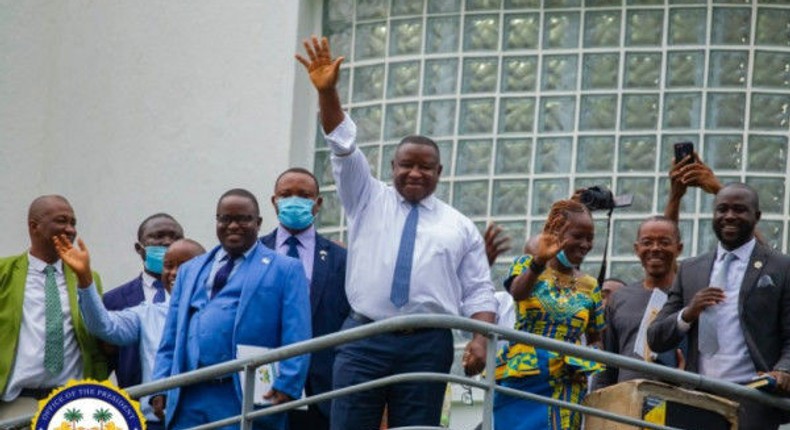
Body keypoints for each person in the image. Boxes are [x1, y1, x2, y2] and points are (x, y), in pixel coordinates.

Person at [297, 36, 497, 429]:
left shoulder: (459, 226)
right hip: (364, 337)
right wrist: (328, 92)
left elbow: (478, 289)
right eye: (407, 165)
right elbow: (342, 145)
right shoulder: (366, 197)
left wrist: (480, 339)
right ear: (393, 165)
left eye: (426, 167)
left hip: (427, 344)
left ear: (440, 173)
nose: (415, 173)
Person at [152, 189, 311, 430]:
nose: (233, 226)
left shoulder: (285, 269)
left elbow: (297, 332)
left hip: (241, 392)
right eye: (225, 219)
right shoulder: (191, 269)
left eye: (243, 219)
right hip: (189, 393)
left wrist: (289, 384)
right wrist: (160, 385)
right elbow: (171, 335)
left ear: (258, 223)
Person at [647, 183, 790, 430]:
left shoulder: (780, 267)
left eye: (739, 210)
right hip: (699, 398)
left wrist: (783, 370)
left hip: (753, 399)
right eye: (722, 209)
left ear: (756, 217)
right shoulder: (691, 269)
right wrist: (687, 314)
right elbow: (656, 338)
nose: (730, 216)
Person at [67, 238, 204, 430]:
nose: (173, 273)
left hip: (205, 419)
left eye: (183, 266)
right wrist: (85, 280)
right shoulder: (148, 313)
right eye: (168, 266)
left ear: (204, 270)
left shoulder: (219, 312)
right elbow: (104, 326)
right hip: (155, 421)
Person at [494, 199, 604, 430]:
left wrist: (592, 359)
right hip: (524, 375)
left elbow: (595, 337)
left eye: (590, 238)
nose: (585, 244)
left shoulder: (591, 285)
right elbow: (518, 293)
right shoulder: (527, 264)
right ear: (556, 231)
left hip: (568, 380)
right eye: (578, 236)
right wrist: (538, 263)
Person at [0, 195, 108, 419]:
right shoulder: (5, 273)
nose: (70, 229)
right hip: (16, 402)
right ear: (34, 226)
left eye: (73, 223)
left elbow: (98, 336)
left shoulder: (87, 278)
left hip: (71, 402)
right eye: (61, 221)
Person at [260, 167, 350, 430]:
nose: (295, 200)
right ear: (274, 201)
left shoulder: (340, 259)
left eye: (304, 195)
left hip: (322, 390)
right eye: (286, 194)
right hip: (264, 383)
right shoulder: (254, 253)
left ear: (318, 203)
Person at [592, 216, 685, 390]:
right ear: (637, 249)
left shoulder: (689, 296)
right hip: (626, 401)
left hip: (677, 398)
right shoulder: (619, 298)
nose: (655, 248)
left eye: (664, 242)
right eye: (647, 242)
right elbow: (606, 362)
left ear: (679, 248)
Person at [102, 213, 184, 389]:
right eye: (158, 236)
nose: (168, 242)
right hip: (135, 401)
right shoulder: (113, 300)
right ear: (139, 248)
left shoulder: (195, 293)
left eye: (175, 237)